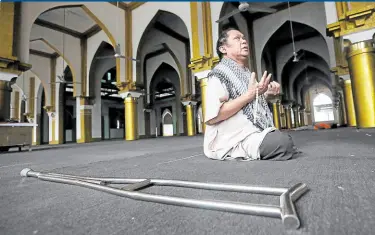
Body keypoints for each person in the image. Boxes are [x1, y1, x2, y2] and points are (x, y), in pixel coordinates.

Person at [203, 28, 298, 161]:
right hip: (233, 139)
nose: (243, 41)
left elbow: (250, 104)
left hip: (252, 132)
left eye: (243, 38)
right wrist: (249, 95)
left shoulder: (246, 73)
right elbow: (213, 117)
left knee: (282, 140)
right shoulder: (218, 74)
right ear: (223, 49)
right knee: (282, 143)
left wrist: (267, 95)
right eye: (237, 38)